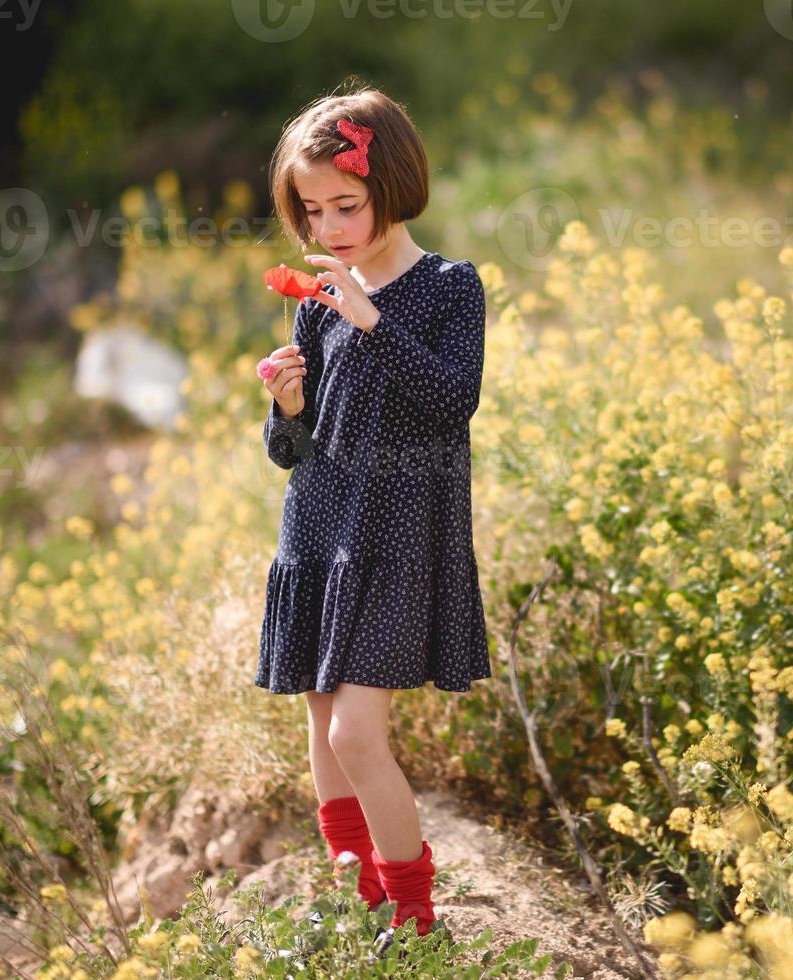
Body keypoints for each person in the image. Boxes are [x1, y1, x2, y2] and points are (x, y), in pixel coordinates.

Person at [254, 81, 492, 953]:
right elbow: (292, 455)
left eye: (345, 205)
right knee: (322, 721)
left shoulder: (447, 287)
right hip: (320, 527)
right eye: (312, 212)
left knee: (358, 730)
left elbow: (450, 400)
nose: (328, 229)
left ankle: (416, 918)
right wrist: (284, 405)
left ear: (392, 186)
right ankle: (355, 897)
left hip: (398, 541)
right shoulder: (314, 300)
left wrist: (371, 317)